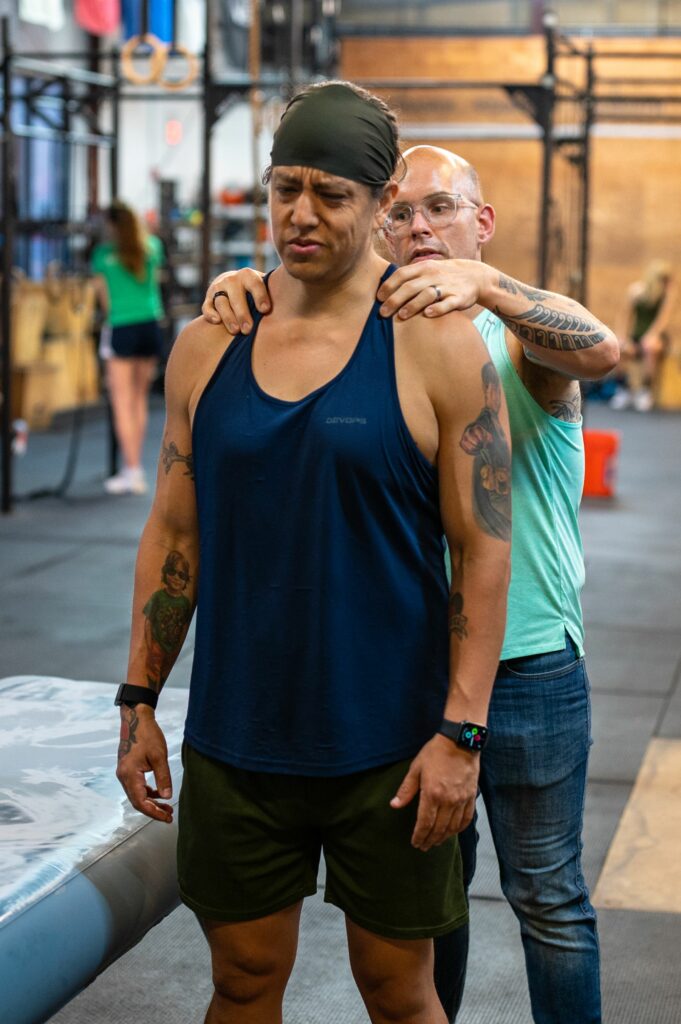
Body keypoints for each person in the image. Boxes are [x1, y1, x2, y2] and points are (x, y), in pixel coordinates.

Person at [115, 85, 512, 1024]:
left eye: (329, 193)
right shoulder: (208, 345)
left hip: (391, 747)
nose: (300, 213)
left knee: (399, 993)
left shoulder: (437, 346)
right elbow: (174, 535)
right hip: (238, 737)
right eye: (283, 187)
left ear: (380, 204)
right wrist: (137, 700)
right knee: (242, 984)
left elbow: (483, 554)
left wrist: (462, 734)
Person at [202, 143, 620, 1024]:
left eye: (440, 207)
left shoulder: (518, 336)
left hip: (531, 668)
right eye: (401, 212)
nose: (419, 227)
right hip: (417, 676)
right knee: (431, 909)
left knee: (546, 898)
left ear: (482, 221)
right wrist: (250, 281)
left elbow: (603, 349)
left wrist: (492, 289)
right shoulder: (384, 336)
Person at [92, 200, 165, 494]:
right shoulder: (153, 247)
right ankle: (134, 470)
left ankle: (131, 470)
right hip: (149, 325)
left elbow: (104, 299)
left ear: (111, 226)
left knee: (122, 402)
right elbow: (155, 283)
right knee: (138, 400)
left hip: (121, 326)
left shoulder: (103, 255)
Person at [610, 259, 676, 412]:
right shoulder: (636, 291)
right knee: (619, 346)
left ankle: (644, 391)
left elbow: (662, 320)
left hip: (657, 336)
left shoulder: (667, 294)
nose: (666, 283)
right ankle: (622, 389)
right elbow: (624, 316)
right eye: (662, 279)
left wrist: (651, 336)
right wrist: (622, 337)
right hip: (637, 335)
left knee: (649, 346)